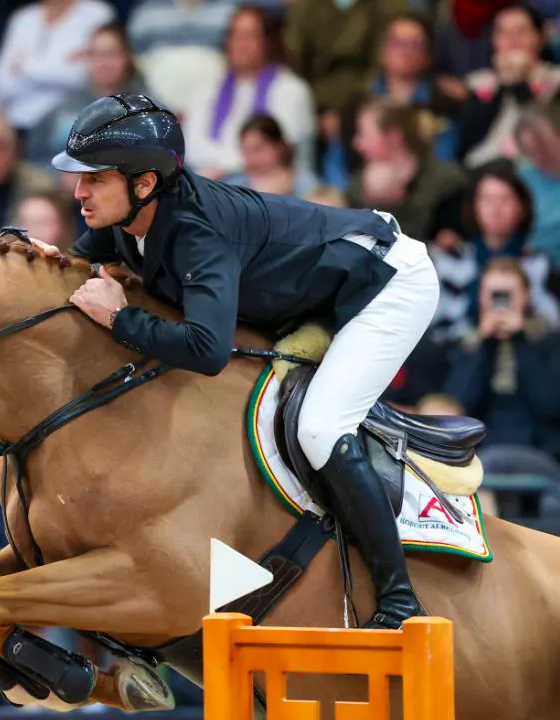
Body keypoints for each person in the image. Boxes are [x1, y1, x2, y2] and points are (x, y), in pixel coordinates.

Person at [33, 92, 441, 630]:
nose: (78, 191)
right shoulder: (127, 218)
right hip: (320, 290)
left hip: (388, 283)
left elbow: (207, 351)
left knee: (321, 427)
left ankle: (399, 599)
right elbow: (79, 261)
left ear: (144, 184)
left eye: (95, 178)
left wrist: (121, 321)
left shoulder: (198, 235)